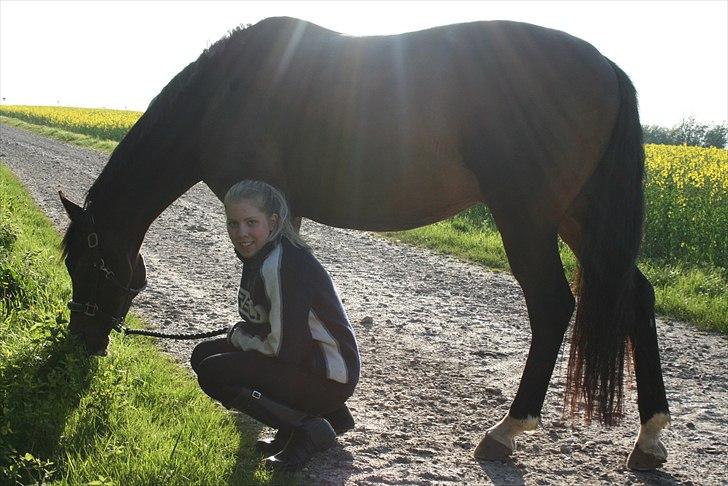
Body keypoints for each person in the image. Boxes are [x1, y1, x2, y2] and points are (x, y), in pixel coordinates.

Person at [190, 179, 360, 470]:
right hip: (306, 362)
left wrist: (238, 337)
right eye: (233, 223)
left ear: (273, 222)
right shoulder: (264, 253)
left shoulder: (282, 264)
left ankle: (306, 428)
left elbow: (280, 348)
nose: (241, 233)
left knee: (212, 371)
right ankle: (331, 416)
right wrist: (239, 338)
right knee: (202, 354)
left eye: (250, 222)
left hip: (327, 376)